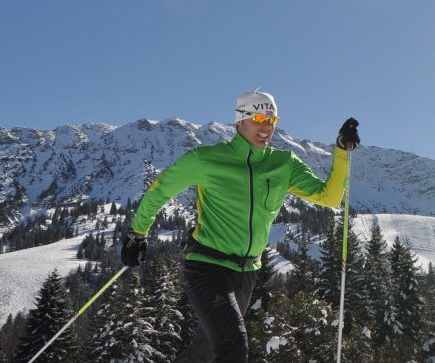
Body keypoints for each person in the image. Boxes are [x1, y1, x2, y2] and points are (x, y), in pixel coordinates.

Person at [121, 90, 359, 362]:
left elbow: (330, 197)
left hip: (247, 272)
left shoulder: (283, 164)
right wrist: (138, 232)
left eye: (272, 120)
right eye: (258, 118)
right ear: (239, 122)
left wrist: (341, 151)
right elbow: (159, 190)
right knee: (233, 347)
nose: (266, 127)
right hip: (207, 266)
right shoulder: (206, 159)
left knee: (207, 349)